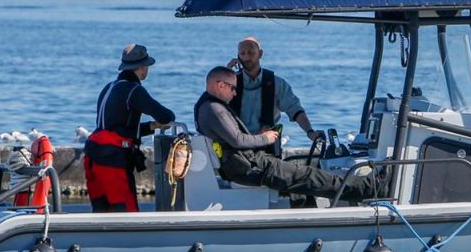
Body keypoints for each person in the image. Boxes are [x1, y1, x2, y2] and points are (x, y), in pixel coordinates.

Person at [195, 66, 378, 203]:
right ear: (220, 85)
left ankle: (310, 211)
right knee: (307, 175)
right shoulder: (214, 109)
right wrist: (265, 138)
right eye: (232, 88)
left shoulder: (208, 106)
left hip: (245, 165)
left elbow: (234, 139)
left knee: (303, 174)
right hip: (251, 168)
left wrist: (259, 136)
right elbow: (238, 140)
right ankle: (373, 189)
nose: (235, 93)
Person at [83, 44, 176, 212]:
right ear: (141, 68)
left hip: (93, 155)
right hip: (113, 160)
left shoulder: (109, 87)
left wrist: (151, 127)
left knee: (102, 212)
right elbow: (166, 116)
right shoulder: (134, 90)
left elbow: (114, 127)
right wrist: (162, 121)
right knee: (126, 212)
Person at [227, 37, 322, 151]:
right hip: (236, 147)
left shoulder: (277, 84)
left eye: (251, 52)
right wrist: (226, 74)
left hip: (267, 148)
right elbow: (214, 107)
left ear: (260, 53)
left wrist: (310, 132)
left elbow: (295, 110)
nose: (247, 57)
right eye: (242, 53)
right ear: (238, 56)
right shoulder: (229, 83)